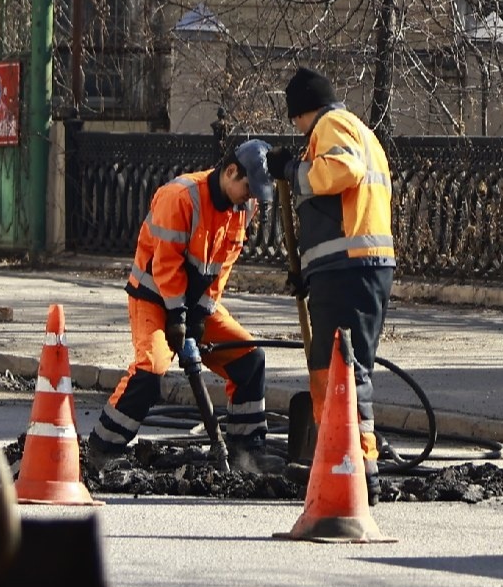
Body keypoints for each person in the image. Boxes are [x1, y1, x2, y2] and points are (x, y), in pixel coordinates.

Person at [90, 139, 279, 473]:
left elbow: (221, 269)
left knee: (250, 359)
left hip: (192, 306)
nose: (250, 198)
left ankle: (245, 452)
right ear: (230, 171)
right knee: (150, 373)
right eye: (248, 188)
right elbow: (166, 264)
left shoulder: (242, 209)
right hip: (152, 299)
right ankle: (104, 449)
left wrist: (201, 316)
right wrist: (178, 319)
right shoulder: (179, 197)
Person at [282, 68, 394, 478]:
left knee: (344, 368)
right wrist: (310, 272)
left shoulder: (333, 125)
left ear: (303, 111)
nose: (296, 127)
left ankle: (357, 465)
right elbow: (345, 211)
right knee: (340, 363)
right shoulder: (363, 132)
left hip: (351, 269)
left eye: (295, 117)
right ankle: (338, 456)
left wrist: (293, 173)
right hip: (355, 269)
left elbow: (344, 171)